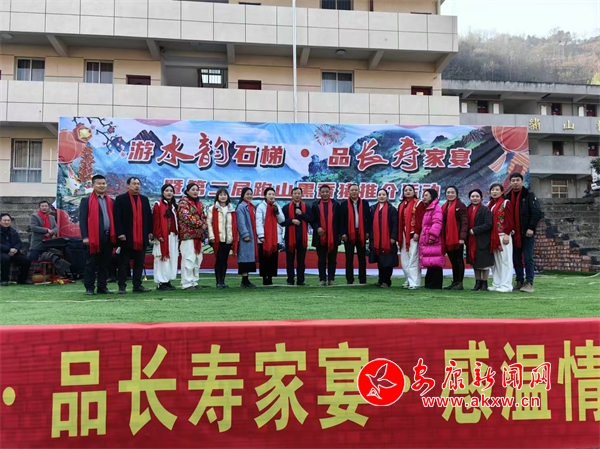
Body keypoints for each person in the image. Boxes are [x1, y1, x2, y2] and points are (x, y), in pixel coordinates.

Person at [114, 177, 153, 294]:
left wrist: (150, 231)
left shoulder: (144, 199)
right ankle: (122, 286)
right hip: (126, 236)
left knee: (139, 263)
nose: (137, 186)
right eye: (134, 184)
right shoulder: (121, 199)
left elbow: (148, 217)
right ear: (127, 186)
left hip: (141, 237)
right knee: (123, 263)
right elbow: (117, 218)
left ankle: (137, 285)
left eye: (138, 184)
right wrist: (120, 233)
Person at [79, 174, 116, 295]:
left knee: (105, 264)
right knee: (91, 263)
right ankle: (89, 287)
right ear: (93, 185)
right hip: (93, 237)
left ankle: (102, 287)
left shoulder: (111, 201)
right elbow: (83, 220)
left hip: (108, 236)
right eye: (99, 183)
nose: (102, 186)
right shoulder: (86, 201)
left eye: (103, 183)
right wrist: (85, 237)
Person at [508, 173, 542, 293]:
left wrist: (531, 228)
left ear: (522, 182)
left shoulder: (529, 195)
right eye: (513, 180)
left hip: (527, 233)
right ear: (510, 183)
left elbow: (537, 213)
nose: (515, 183)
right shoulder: (507, 197)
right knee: (516, 259)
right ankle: (519, 281)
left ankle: (529, 282)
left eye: (517, 180)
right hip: (513, 234)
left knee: (528, 258)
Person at [339, 184, 372, 285]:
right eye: (352, 190)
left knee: (362, 258)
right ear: (348, 192)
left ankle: (362, 279)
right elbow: (341, 221)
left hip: (361, 233)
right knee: (349, 258)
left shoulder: (365, 203)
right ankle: (349, 280)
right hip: (348, 234)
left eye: (356, 190)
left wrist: (367, 232)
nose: (354, 192)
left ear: (359, 191)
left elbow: (369, 219)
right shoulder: (343, 204)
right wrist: (343, 233)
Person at [177, 183, 207, 291]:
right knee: (188, 260)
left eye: (197, 190)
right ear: (187, 191)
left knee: (197, 260)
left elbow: (204, 216)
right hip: (188, 236)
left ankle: (194, 281)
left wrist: (204, 224)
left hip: (198, 236)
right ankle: (186, 283)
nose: (195, 192)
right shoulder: (183, 202)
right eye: (193, 189)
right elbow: (185, 216)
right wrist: (200, 224)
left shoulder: (199, 203)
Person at [310, 185, 341, 286]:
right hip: (320, 236)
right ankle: (322, 279)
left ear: (330, 192)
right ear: (319, 193)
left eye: (327, 192)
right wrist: (317, 228)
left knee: (332, 260)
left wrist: (340, 234)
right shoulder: (315, 205)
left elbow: (340, 221)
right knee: (321, 260)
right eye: (323, 192)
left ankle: (331, 279)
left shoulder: (336, 204)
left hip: (333, 236)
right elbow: (312, 220)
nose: (325, 194)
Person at [207, 188, 237, 289]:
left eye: (225, 195)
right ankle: (218, 281)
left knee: (224, 260)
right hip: (217, 238)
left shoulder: (231, 209)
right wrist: (211, 236)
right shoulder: (212, 208)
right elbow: (209, 223)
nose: (223, 196)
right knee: (219, 259)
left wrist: (234, 237)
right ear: (217, 197)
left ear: (228, 196)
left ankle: (223, 281)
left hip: (228, 239)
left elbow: (234, 225)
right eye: (221, 195)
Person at [488, 183, 514, 293]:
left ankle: (506, 285)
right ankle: (497, 283)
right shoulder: (490, 204)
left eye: (497, 190)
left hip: (503, 235)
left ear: (502, 192)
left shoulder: (506, 203)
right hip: (493, 236)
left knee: (505, 260)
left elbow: (510, 219)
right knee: (496, 262)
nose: (494, 192)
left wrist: (507, 234)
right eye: (492, 190)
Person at [369, 189, 398, 288]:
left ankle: (386, 281)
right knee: (380, 261)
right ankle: (381, 280)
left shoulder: (391, 209)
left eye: (383, 194)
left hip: (388, 239)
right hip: (377, 239)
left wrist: (393, 237)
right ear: (377, 196)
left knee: (388, 261)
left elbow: (395, 224)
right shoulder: (373, 208)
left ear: (387, 196)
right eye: (379, 194)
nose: (381, 196)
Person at [466, 189, 494, 291]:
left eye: (477, 196)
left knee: (484, 264)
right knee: (475, 263)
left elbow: (488, 224)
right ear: (469, 198)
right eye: (472, 196)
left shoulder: (485, 210)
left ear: (481, 198)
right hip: (471, 240)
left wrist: (474, 230)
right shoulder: (467, 209)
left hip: (483, 239)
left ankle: (484, 283)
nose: (475, 198)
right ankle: (477, 283)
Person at [282, 187, 311, 286]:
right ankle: (290, 280)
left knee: (301, 261)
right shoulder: (286, 207)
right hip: (290, 238)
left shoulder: (306, 207)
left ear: (302, 195)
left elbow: (310, 219)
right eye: (295, 193)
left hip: (302, 238)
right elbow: (282, 222)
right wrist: (292, 221)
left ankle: (300, 280)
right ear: (291, 195)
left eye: (299, 193)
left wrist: (302, 214)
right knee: (290, 260)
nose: (297, 195)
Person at [256, 188, 285, 286]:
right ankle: (265, 277)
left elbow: (282, 220)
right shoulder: (261, 207)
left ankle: (271, 277)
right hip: (265, 236)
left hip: (274, 236)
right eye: (269, 194)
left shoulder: (277, 205)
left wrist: (277, 210)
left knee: (273, 258)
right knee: (264, 258)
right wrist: (261, 235)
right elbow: (258, 222)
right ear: (265, 196)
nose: (271, 196)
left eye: (273, 194)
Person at [152, 184, 179, 291]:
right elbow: (156, 221)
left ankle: (167, 280)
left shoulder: (174, 206)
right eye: (167, 190)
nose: (169, 193)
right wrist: (158, 235)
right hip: (162, 237)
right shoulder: (158, 205)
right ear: (163, 192)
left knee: (171, 258)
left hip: (173, 236)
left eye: (171, 191)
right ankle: (161, 282)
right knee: (161, 259)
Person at [398, 185, 425, 289]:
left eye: (410, 190)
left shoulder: (418, 203)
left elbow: (420, 219)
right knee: (404, 258)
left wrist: (417, 232)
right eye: (406, 190)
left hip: (413, 233)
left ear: (414, 192)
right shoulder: (402, 204)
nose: (408, 192)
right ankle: (408, 279)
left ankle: (414, 282)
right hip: (403, 233)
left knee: (413, 257)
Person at [441, 186, 468, 290]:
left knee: (458, 260)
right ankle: (455, 282)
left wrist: (462, 237)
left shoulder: (460, 205)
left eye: (452, 192)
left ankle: (459, 283)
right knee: (453, 261)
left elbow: (464, 222)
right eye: (448, 192)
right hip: (448, 237)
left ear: (456, 194)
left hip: (457, 238)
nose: (450, 194)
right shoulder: (444, 206)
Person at [418, 189, 445, 289]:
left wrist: (432, 236)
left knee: (435, 261)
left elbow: (437, 223)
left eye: (426, 195)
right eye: (424, 195)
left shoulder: (436, 208)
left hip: (433, 238)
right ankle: (430, 283)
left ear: (432, 196)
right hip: (426, 237)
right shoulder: (428, 207)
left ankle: (436, 284)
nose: (424, 197)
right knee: (431, 260)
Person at [236, 187, 258, 289]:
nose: (249, 196)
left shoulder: (251, 206)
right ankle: (244, 281)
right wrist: (245, 234)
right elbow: (240, 222)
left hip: (252, 235)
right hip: (245, 237)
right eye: (247, 194)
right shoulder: (241, 207)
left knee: (249, 258)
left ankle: (246, 280)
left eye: (250, 194)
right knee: (244, 258)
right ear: (243, 195)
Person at [0, 213, 32, 286]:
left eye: (8, 220)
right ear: (0, 221)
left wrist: (15, 249)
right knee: (5, 259)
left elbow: (19, 242)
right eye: (4, 220)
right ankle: (4, 280)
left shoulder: (13, 231)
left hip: (13, 252)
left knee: (26, 260)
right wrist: (8, 250)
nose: (6, 222)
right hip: (2, 252)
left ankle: (22, 279)